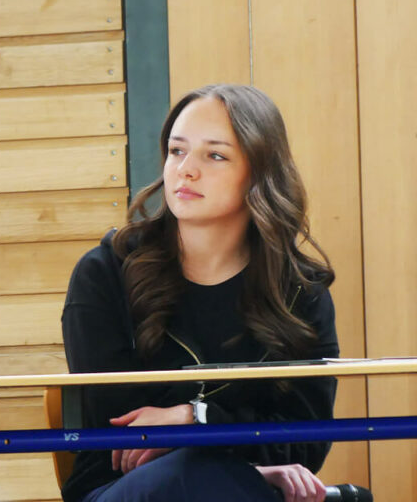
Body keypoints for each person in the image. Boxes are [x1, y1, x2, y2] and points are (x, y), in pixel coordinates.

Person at [61, 84, 339, 502]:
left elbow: (307, 440)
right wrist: (249, 458)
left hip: (242, 486)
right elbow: (124, 431)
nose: (185, 170)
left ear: (259, 172)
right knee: (193, 473)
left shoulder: (299, 292)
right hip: (117, 489)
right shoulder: (105, 272)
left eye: (215, 155)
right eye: (177, 151)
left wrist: (196, 418)